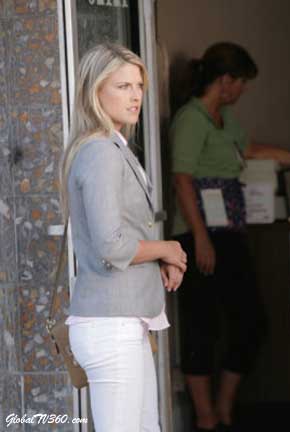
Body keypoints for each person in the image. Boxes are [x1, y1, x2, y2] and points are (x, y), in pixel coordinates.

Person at [170, 42, 290, 432]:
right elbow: (182, 180)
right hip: (198, 234)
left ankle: (224, 406)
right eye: (242, 83)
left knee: (251, 322)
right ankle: (205, 416)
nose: (242, 91)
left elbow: (251, 150)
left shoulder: (224, 119)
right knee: (202, 324)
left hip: (230, 229)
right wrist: (200, 237)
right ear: (225, 80)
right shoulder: (190, 119)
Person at [60, 43, 187, 431]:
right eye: (123, 86)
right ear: (95, 90)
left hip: (124, 322)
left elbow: (124, 235)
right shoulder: (100, 152)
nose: (135, 96)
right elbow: (111, 245)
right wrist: (167, 247)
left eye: (139, 86)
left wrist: (157, 257)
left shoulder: (114, 147)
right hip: (110, 326)